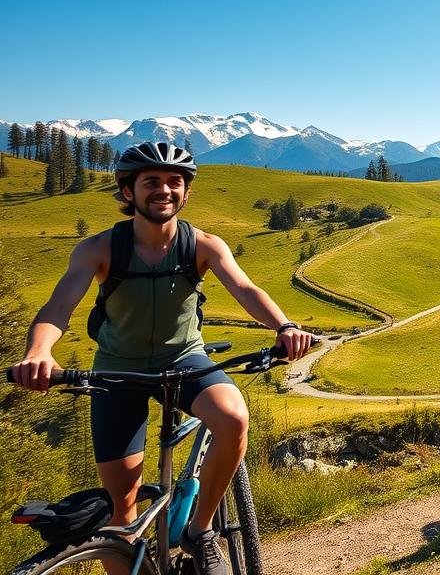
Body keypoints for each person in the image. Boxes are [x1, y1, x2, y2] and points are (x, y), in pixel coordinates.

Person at [10, 142, 314, 575]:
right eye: (151, 182)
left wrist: (284, 327)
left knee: (232, 419)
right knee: (123, 512)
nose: (165, 190)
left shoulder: (202, 245)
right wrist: (39, 351)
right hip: (118, 371)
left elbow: (246, 290)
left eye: (175, 182)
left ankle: (200, 530)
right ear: (128, 191)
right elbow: (58, 307)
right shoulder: (99, 249)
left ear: (186, 193)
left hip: (185, 360)